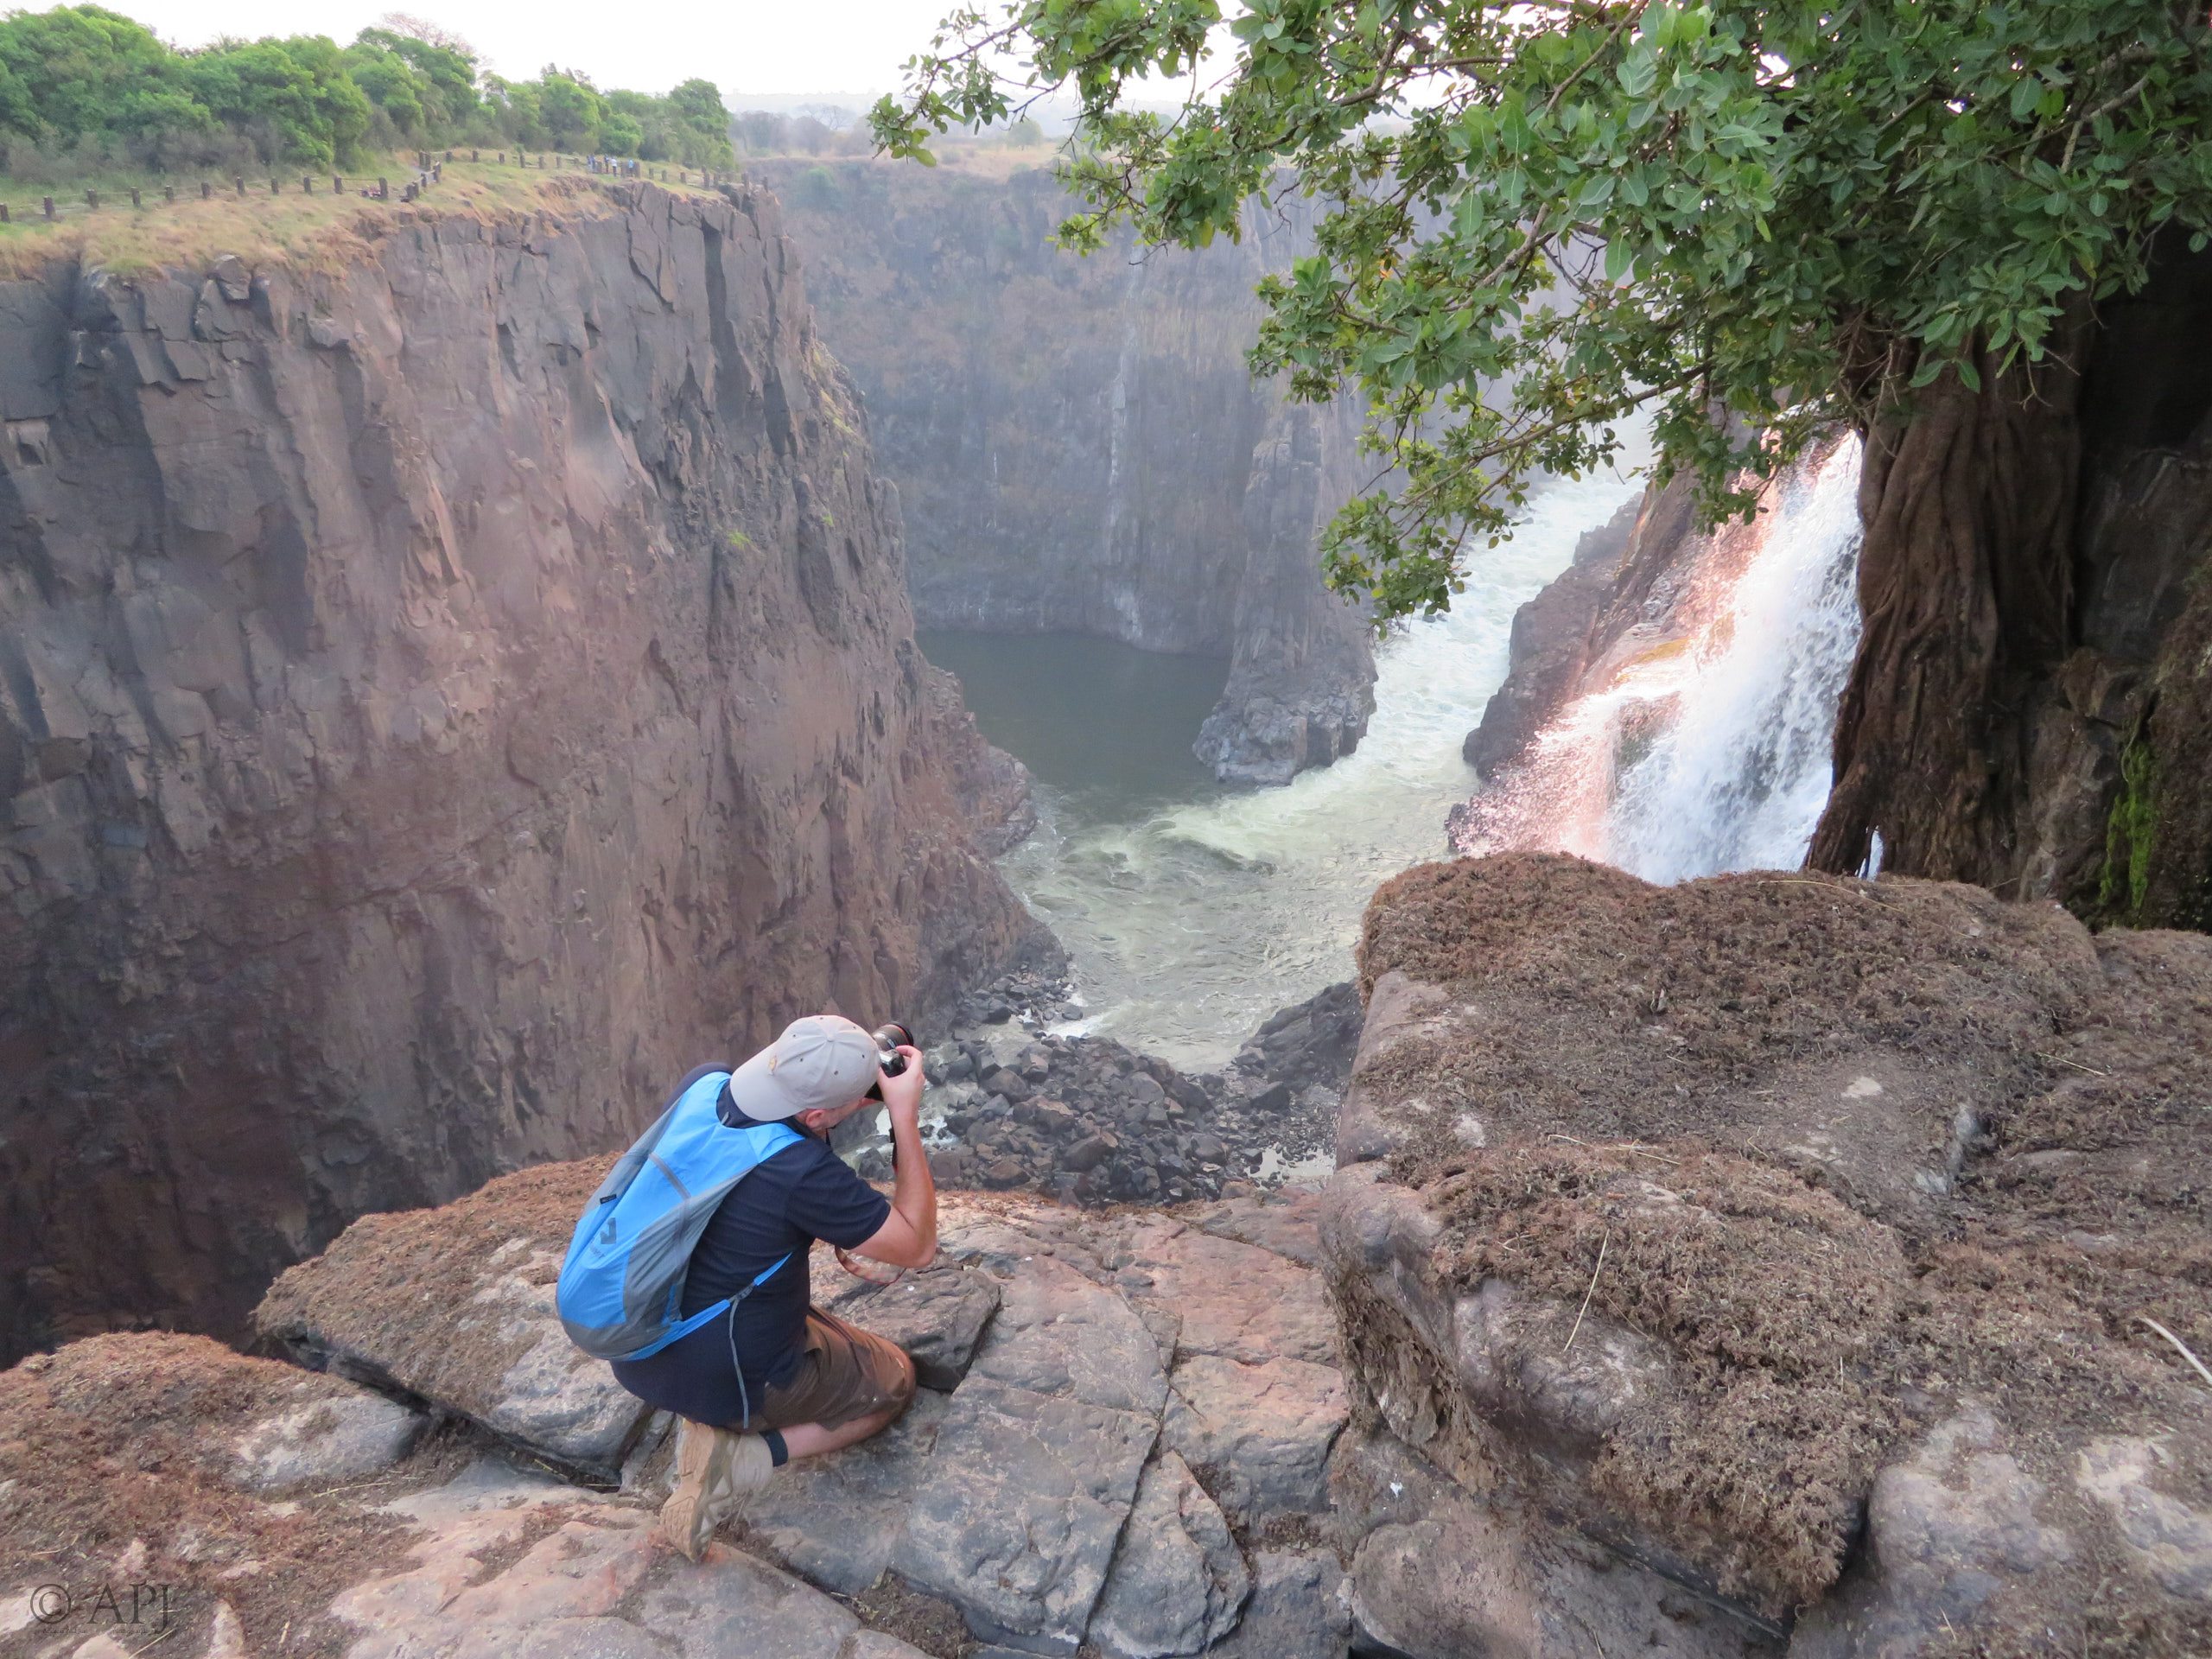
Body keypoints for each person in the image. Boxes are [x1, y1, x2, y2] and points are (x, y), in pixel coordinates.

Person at [610, 1014, 937, 1559]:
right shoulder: (801, 1172)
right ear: (814, 1116)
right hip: (720, 1376)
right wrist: (904, 1116)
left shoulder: (707, 1083)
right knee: (894, 1382)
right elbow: (917, 1246)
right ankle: (739, 1461)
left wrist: (840, 1091)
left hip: (636, 1336)